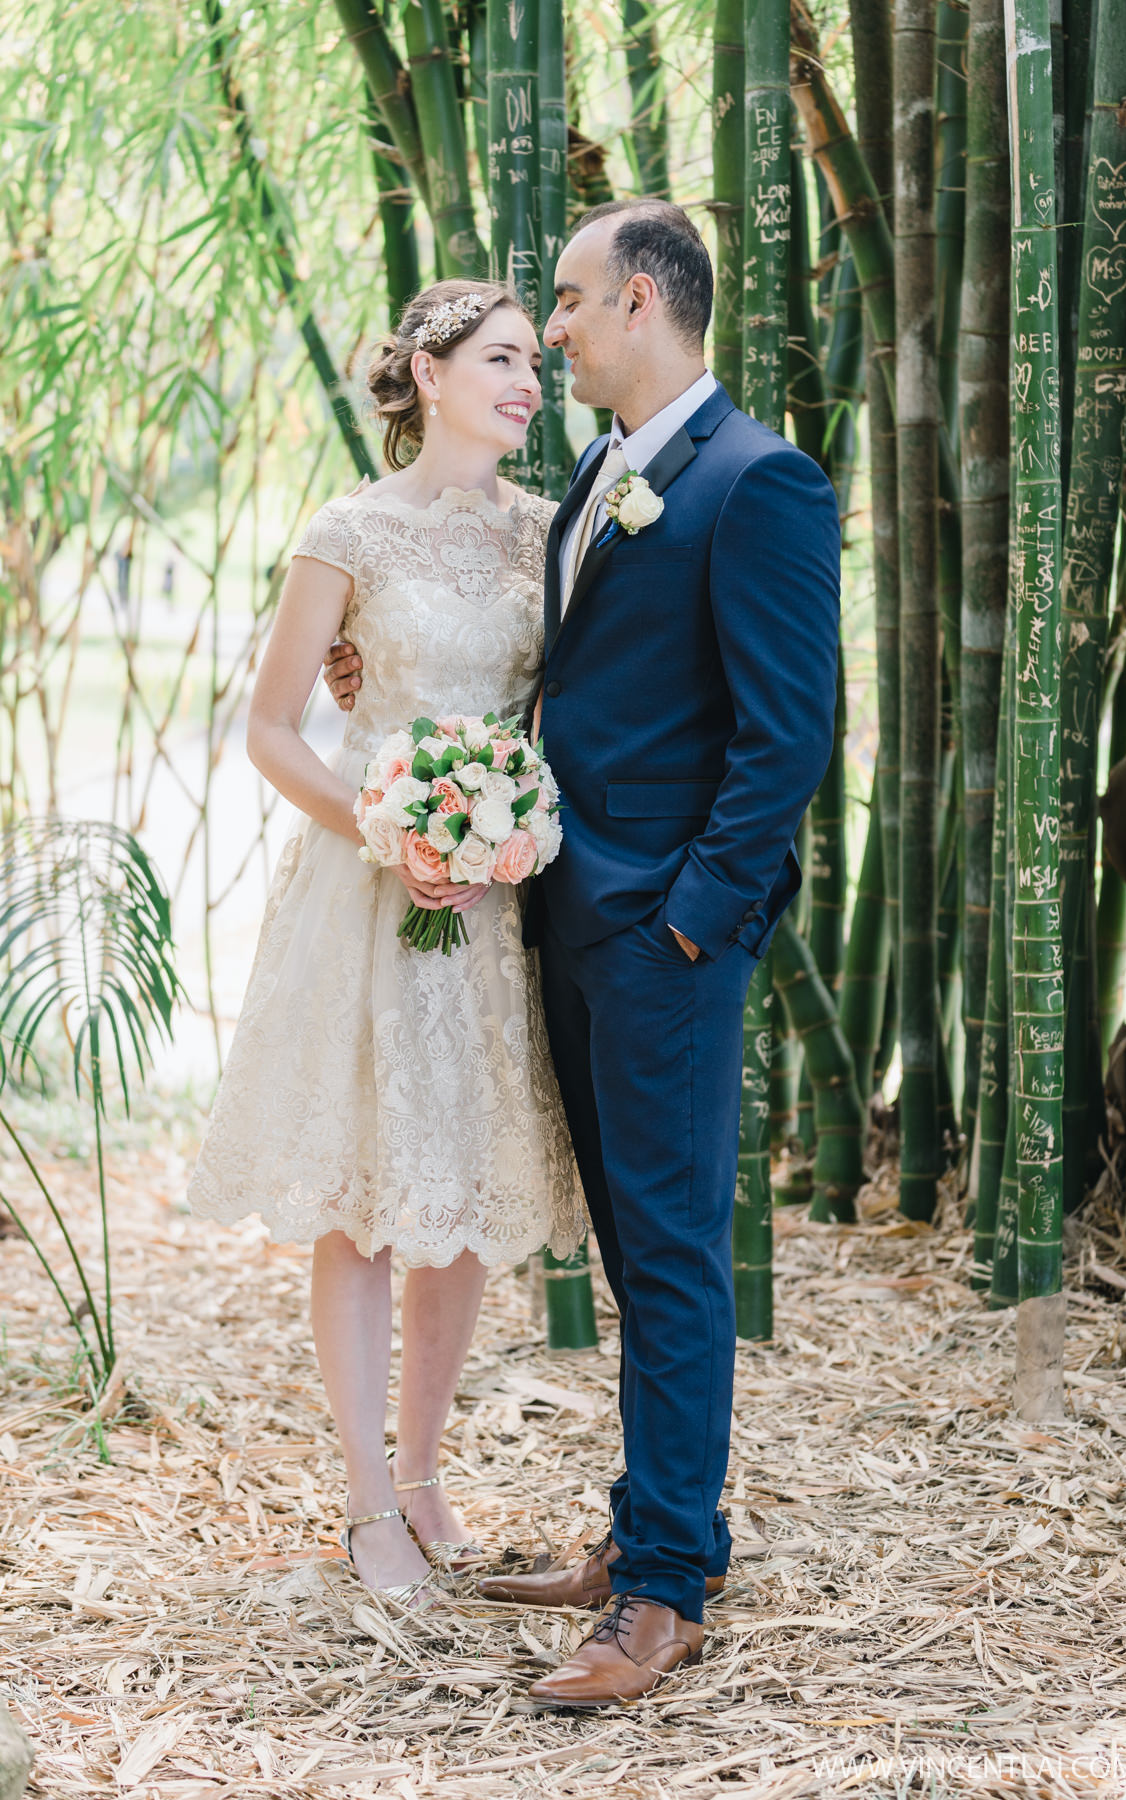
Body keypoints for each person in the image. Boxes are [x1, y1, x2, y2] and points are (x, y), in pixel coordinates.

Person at [325, 201, 841, 1700]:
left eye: (562, 302)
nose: (548, 331)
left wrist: (693, 920)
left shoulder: (757, 480)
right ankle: (659, 1528)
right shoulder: (600, 483)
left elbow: (789, 734)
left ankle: (663, 1595)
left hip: (662, 936)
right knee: (634, 1254)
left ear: (638, 301)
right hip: (560, 912)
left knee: (672, 1260)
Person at [188, 279, 584, 1610]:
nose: (531, 380)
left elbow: (570, 708)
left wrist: (505, 825)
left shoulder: (553, 528)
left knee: (458, 1202)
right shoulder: (349, 529)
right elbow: (275, 729)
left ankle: (424, 1477)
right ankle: (366, 1505)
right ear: (428, 370)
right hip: (371, 894)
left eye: (537, 359)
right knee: (363, 1200)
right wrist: (387, 823)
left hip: (495, 907)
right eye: (505, 358)